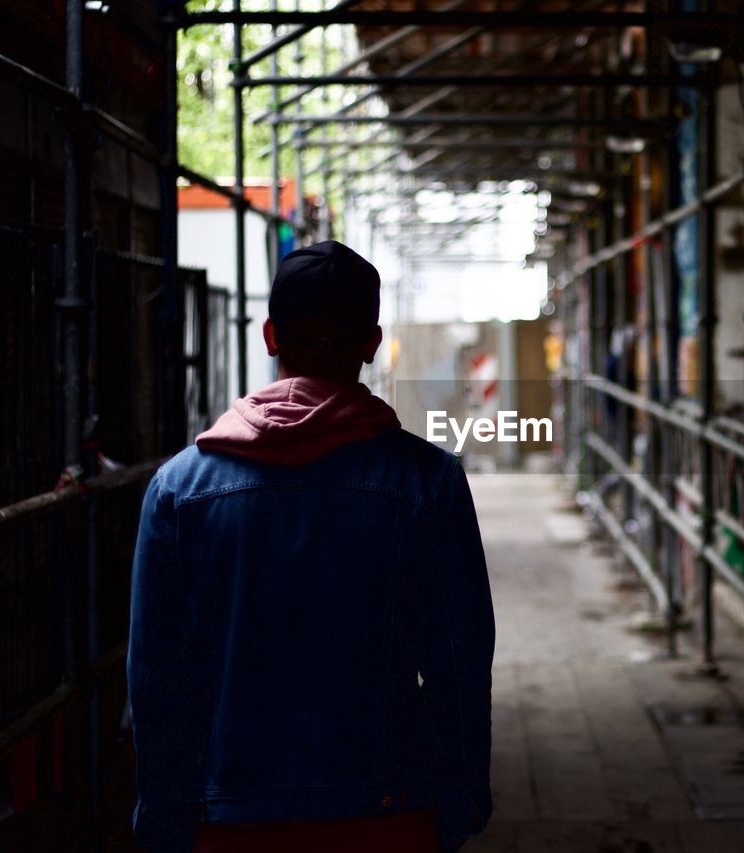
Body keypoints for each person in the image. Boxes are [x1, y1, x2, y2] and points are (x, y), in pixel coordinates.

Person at [128, 240, 494, 853]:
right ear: (372, 344)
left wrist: (165, 816)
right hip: (388, 814)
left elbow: (157, 675)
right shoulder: (426, 482)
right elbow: (460, 660)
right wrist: (459, 801)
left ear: (270, 335)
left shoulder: (177, 489)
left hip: (228, 817)